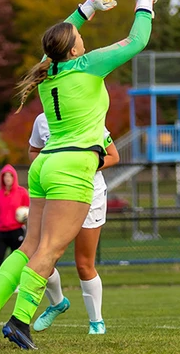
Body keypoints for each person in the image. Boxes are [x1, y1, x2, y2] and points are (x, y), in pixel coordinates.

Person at [0, 0, 157, 350]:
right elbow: (136, 41)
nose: (79, 34)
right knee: (49, 251)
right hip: (73, 164)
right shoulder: (86, 65)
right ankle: (20, 321)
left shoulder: (46, 72)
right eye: (77, 35)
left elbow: (54, 40)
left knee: (29, 248)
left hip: (44, 164)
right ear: (74, 49)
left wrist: (87, 8)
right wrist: (145, 0)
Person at [27, 112, 119, 335]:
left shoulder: (88, 115)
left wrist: (85, 166)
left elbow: (114, 156)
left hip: (90, 193)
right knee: (40, 255)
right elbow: (33, 151)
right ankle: (57, 303)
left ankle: (96, 322)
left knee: (84, 264)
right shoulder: (42, 120)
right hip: (58, 194)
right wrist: (48, 170)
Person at [0, 165, 29, 294]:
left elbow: (29, 210)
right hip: (1, 231)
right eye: (5, 176)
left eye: (10, 176)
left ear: (14, 177)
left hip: (16, 230)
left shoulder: (22, 193)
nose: (7, 179)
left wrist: (26, 219)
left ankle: (17, 284)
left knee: (18, 260)